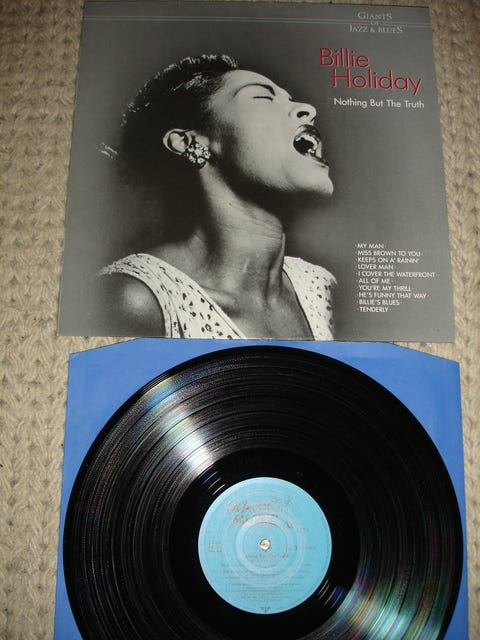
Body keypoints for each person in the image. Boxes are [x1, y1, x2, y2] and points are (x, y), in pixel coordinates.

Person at [98, 54, 336, 339]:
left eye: (291, 100)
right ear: (190, 142)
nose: (308, 109)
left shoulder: (324, 288)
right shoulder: (135, 299)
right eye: (263, 98)